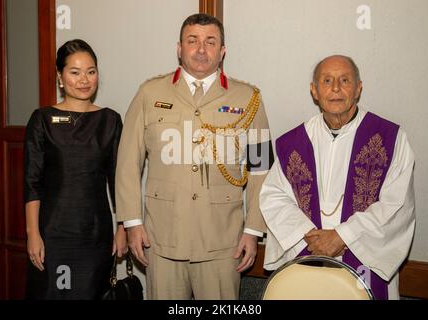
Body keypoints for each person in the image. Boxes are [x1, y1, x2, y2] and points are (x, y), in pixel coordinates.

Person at [115, 13, 273, 300]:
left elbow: (261, 168)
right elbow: (127, 162)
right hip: (162, 237)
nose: (201, 49)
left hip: (223, 240)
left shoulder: (248, 99)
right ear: (179, 48)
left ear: (222, 51)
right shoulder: (150, 94)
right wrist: (132, 222)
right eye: (193, 41)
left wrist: (253, 229)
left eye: (210, 42)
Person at [260, 55, 415, 300]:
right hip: (307, 252)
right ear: (314, 90)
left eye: (344, 80)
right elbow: (274, 197)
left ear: (358, 88)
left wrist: (344, 236)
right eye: (327, 80)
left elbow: (396, 205)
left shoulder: (391, 138)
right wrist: (309, 237)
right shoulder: (291, 143)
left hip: (365, 261)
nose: (335, 88)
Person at [24, 39, 127, 299]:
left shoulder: (110, 120)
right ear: (60, 76)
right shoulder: (43, 120)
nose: (84, 80)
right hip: (53, 235)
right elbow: (31, 183)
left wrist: (122, 228)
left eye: (91, 72)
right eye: (75, 72)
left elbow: (119, 181)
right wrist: (32, 234)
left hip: (95, 236)